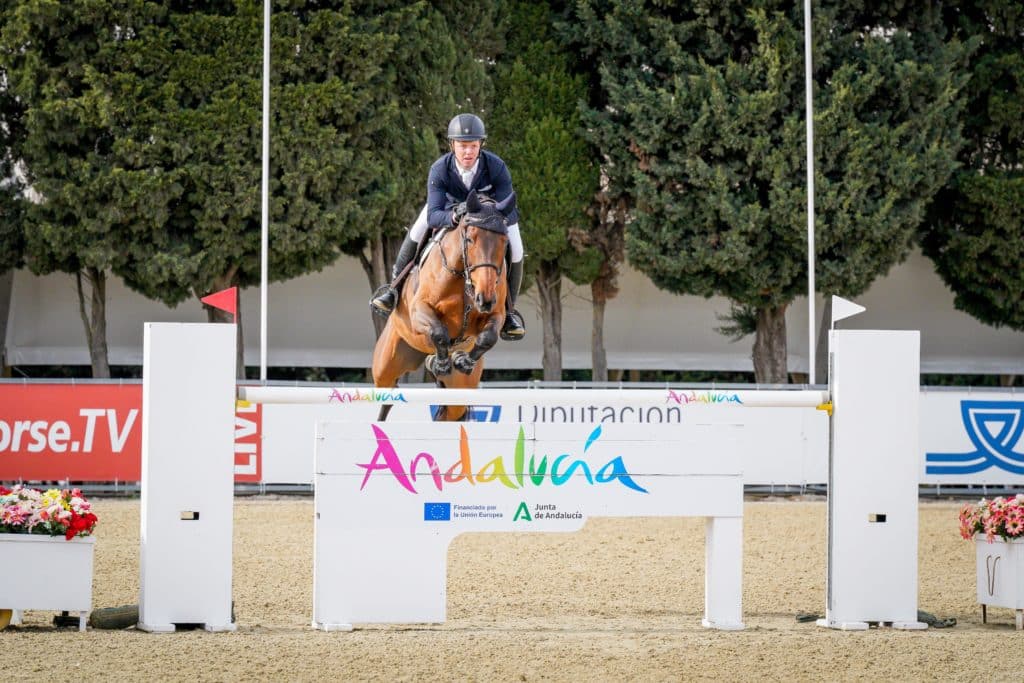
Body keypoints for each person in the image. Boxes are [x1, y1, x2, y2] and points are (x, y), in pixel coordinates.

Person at [369, 113, 526, 340]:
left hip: (489, 218)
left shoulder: (497, 167)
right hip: (447, 211)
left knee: (517, 249)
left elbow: (508, 208)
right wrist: (453, 216)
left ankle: (509, 312)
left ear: (480, 144)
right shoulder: (440, 168)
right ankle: (393, 289)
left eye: (472, 146)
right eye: (462, 146)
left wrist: (490, 213)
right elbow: (433, 215)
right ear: (452, 145)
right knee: (418, 228)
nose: (468, 152)